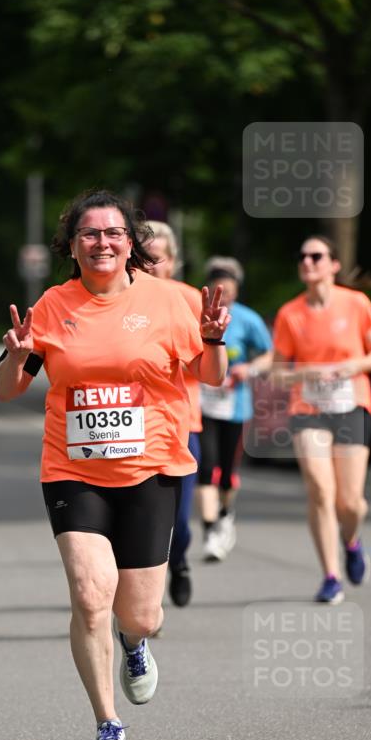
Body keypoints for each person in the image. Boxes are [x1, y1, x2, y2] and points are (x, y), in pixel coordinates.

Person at [0, 189, 230, 740]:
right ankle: (107, 725)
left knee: (139, 613)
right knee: (89, 594)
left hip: (150, 468)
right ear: (72, 246)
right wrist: (19, 356)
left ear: (132, 244)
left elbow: (213, 377)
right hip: (73, 470)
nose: (102, 242)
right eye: (90, 234)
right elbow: (9, 390)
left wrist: (215, 338)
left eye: (113, 233)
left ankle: (135, 643)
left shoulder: (173, 301)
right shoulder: (52, 305)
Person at [272, 235, 371, 603]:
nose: (308, 261)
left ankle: (351, 542)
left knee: (349, 502)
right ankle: (330, 575)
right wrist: (306, 374)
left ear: (333, 264)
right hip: (308, 410)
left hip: (351, 404)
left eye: (316, 255)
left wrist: (352, 366)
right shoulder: (290, 314)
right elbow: (277, 373)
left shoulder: (356, 304)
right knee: (321, 492)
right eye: (302, 255)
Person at [198, 257, 273, 561]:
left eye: (228, 284)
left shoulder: (248, 319)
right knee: (205, 467)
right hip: (200, 405)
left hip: (235, 407)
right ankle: (210, 530)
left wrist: (249, 369)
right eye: (217, 283)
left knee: (227, 472)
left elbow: (269, 354)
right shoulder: (195, 313)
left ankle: (225, 513)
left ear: (237, 289)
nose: (223, 289)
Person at [145, 220, 203, 607]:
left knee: (178, 524)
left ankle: (179, 562)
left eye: (158, 259)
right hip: (131, 428)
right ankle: (140, 608)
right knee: (140, 523)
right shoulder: (119, 298)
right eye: (144, 259)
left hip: (181, 423)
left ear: (173, 262)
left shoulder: (189, 299)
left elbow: (209, 368)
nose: (151, 267)